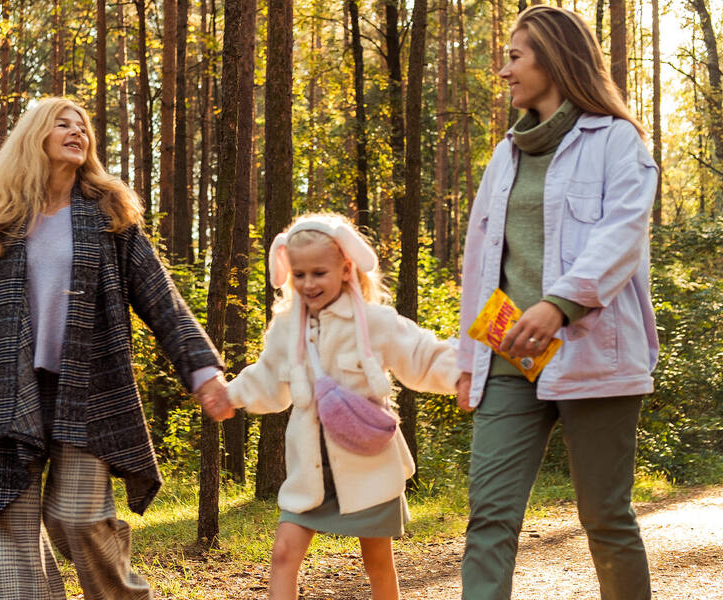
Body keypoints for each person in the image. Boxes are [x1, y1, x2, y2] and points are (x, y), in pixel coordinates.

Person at [0, 96, 235, 600]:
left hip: (85, 388)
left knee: (78, 516)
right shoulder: (3, 219)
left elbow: (159, 296)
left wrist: (203, 373)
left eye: (83, 126)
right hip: (6, 387)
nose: (77, 132)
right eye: (62, 124)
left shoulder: (109, 215)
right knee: (11, 526)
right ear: (36, 137)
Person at [454, 5, 659, 600]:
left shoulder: (618, 141)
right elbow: (480, 264)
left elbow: (622, 235)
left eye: (514, 56)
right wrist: (469, 359)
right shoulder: (505, 154)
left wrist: (560, 305)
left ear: (553, 58)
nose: (504, 71)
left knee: (605, 518)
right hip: (507, 355)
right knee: (489, 518)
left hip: (593, 354)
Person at [225, 213, 467, 600]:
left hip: (368, 466)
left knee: (377, 561)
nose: (307, 283)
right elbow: (268, 377)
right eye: (299, 274)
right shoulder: (288, 327)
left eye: (319, 272)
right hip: (311, 472)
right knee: (284, 552)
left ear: (345, 267)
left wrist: (462, 375)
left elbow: (421, 354)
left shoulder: (373, 321)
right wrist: (230, 395)